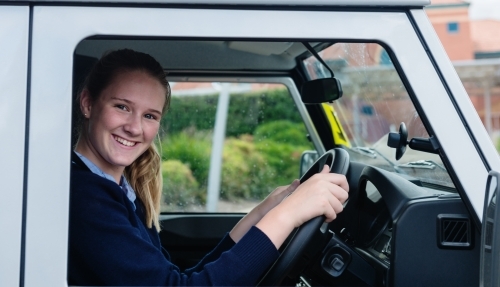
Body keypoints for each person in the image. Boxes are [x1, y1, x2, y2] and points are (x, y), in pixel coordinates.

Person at [68, 49, 349, 286]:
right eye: (122, 107)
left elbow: (181, 278)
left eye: (150, 115)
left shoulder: (118, 192)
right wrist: (288, 215)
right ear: (88, 103)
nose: (134, 128)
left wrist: (267, 210)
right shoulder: (84, 196)